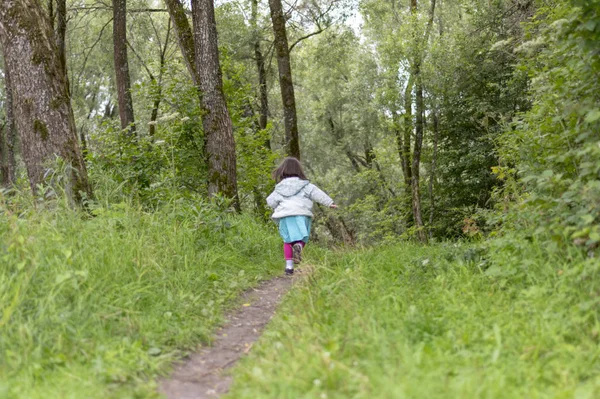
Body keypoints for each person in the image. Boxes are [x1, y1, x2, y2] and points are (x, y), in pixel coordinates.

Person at [266, 157, 337, 275]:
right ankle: (299, 245)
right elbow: (317, 194)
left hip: (286, 216)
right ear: (299, 170)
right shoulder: (306, 185)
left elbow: (271, 201)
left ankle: (289, 268)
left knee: (287, 240)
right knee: (303, 237)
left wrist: (276, 206)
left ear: (282, 170)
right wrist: (329, 203)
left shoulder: (279, 188)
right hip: (302, 214)